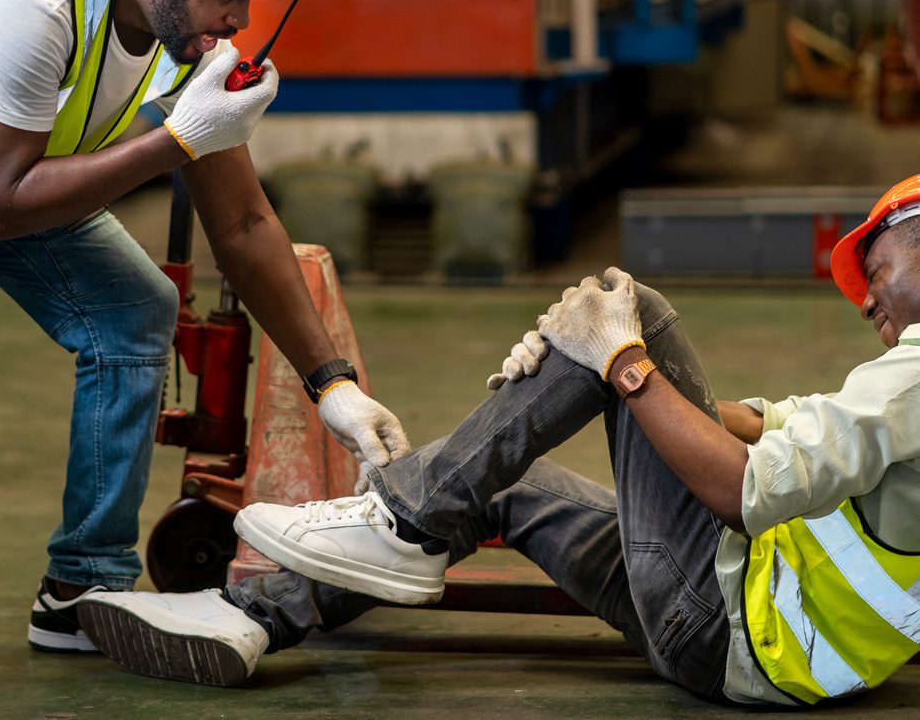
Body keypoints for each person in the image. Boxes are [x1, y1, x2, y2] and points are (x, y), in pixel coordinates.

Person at [76, 173, 920, 706]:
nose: (865, 300)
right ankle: (250, 617)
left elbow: (740, 490)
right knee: (509, 483)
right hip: (752, 637)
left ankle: (399, 519)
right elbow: (773, 422)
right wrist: (593, 364)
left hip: (733, 628)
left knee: (641, 311)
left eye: (875, 272)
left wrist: (623, 361)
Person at [0, 0, 410, 654]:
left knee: (129, 311)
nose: (239, 18)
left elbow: (244, 222)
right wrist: (177, 139)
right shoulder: (32, 1)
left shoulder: (183, 28)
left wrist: (332, 385)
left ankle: (83, 589)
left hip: (5, 177)